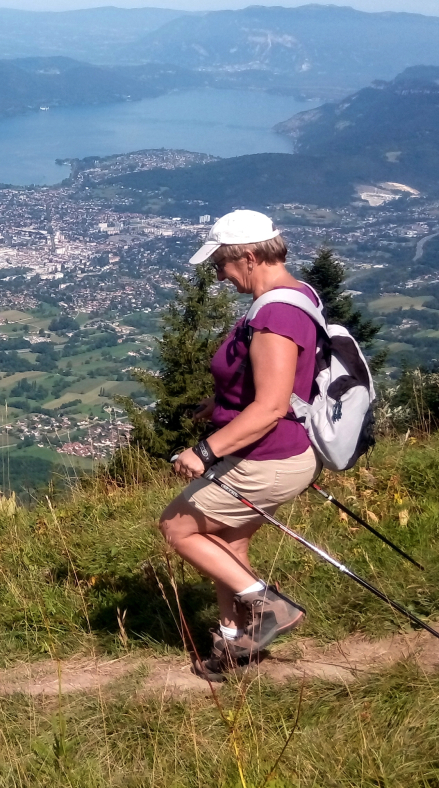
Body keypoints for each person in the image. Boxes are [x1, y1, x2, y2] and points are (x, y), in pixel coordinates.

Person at [160, 209, 322, 682]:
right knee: (229, 542)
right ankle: (236, 643)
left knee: (177, 527)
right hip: (273, 450)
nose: (218, 275)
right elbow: (274, 385)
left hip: (267, 457)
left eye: (222, 265)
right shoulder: (296, 295)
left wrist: (205, 450)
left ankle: (269, 608)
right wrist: (222, 403)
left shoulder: (276, 313)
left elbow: (271, 406)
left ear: (249, 257)